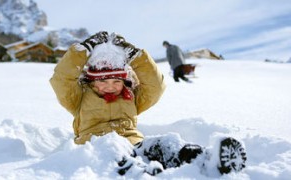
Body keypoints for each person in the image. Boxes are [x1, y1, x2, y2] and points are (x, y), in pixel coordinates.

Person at [50, 32, 246, 176]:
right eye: (102, 81)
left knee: (163, 144)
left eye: (116, 81)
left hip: (135, 143)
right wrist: (83, 50)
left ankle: (204, 160)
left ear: (124, 81)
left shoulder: (131, 97)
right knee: (119, 160)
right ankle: (144, 173)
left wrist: (135, 55)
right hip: (97, 148)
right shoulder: (78, 98)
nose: (110, 87)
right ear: (91, 81)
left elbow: (156, 85)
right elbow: (61, 79)